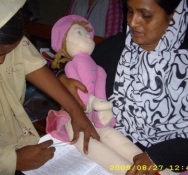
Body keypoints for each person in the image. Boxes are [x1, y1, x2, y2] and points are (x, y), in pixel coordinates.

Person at [0, 0, 100, 174]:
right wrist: (12, 160)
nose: (1, 61)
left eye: (8, 52)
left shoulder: (1, 43)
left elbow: (33, 66)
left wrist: (75, 109)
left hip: (16, 141)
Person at [58, 0, 188, 174]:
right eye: (129, 11)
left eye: (145, 15)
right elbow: (77, 66)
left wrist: (160, 156)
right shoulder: (118, 47)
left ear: (173, 15)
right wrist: (62, 79)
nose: (133, 22)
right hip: (110, 141)